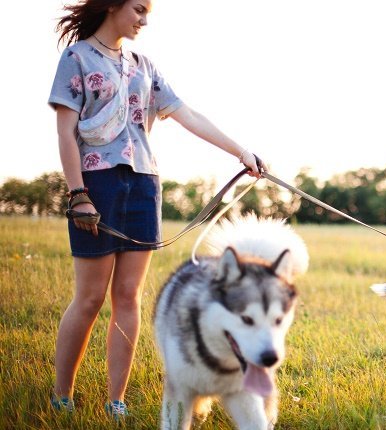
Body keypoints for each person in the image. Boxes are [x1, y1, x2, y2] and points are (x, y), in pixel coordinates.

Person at [48, 0, 264, 418]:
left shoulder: (144, 64)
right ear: (113, 5)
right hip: (98, 183)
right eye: (139, 9)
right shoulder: (75, 57)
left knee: (128, 296)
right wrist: (78, 193)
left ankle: (116, 401)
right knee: (90, 298)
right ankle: (62, 396)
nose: (145, 20)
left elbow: (187, 114)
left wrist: (241, 152)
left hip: (144, 184)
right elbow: (65, 131)